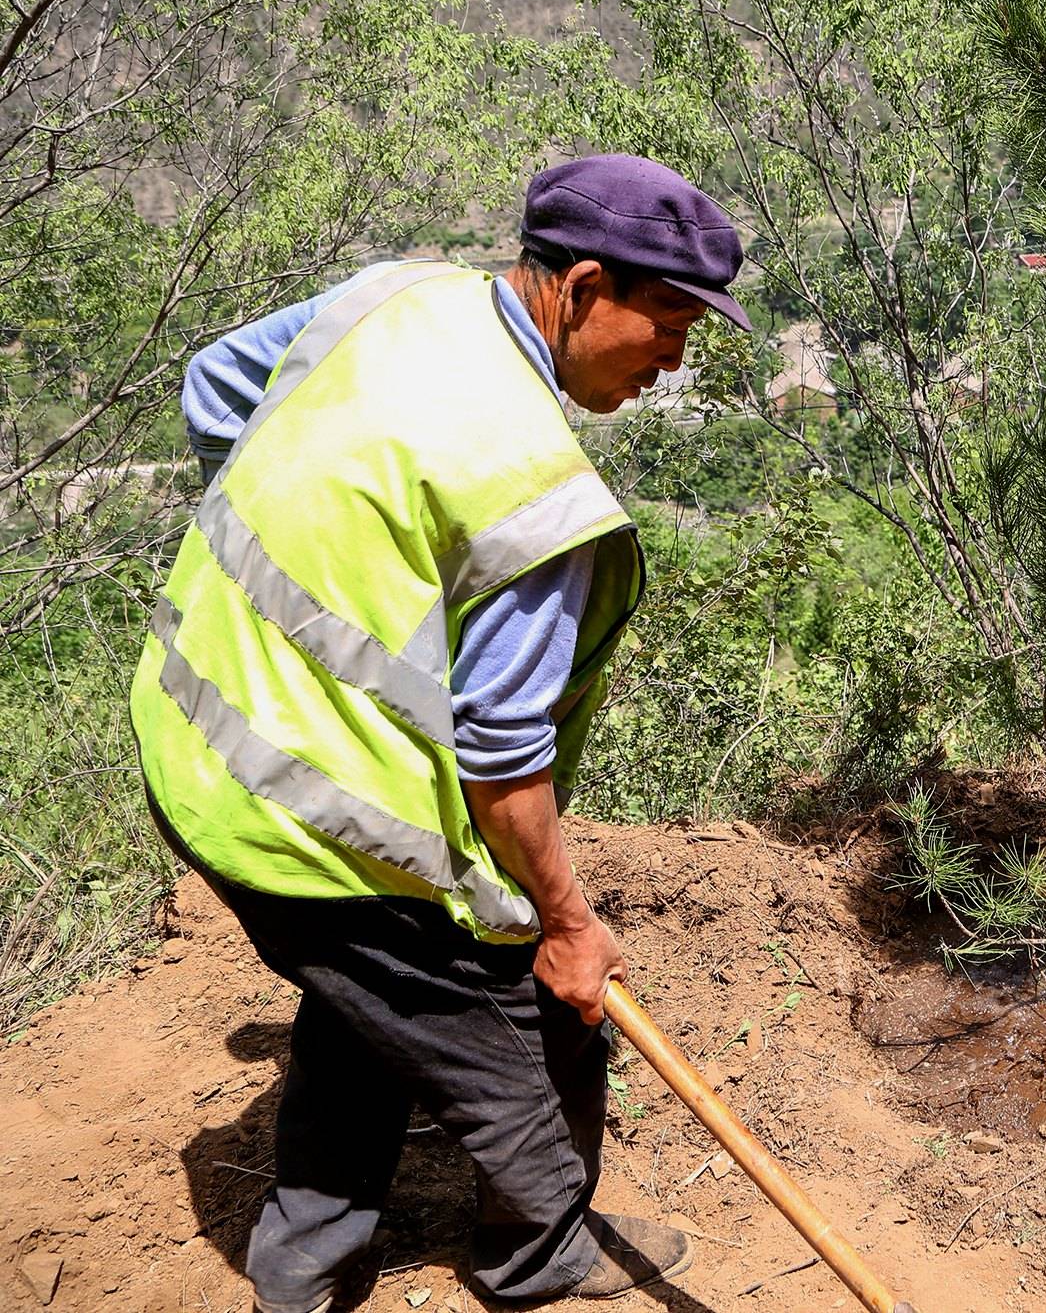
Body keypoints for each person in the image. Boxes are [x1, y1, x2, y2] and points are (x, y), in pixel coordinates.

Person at [132, 155, 750, 1308]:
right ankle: (541, 1254)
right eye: (665, 325)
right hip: (308, 809)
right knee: (529, 1023)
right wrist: (565, 924)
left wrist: (321, 568)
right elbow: (503, 754)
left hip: (195, 734)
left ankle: (301, 1263)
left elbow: (216, 386)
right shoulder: (531, 495)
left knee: (369, 998)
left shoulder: (396, 296)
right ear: (582, 283)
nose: (673, 364)